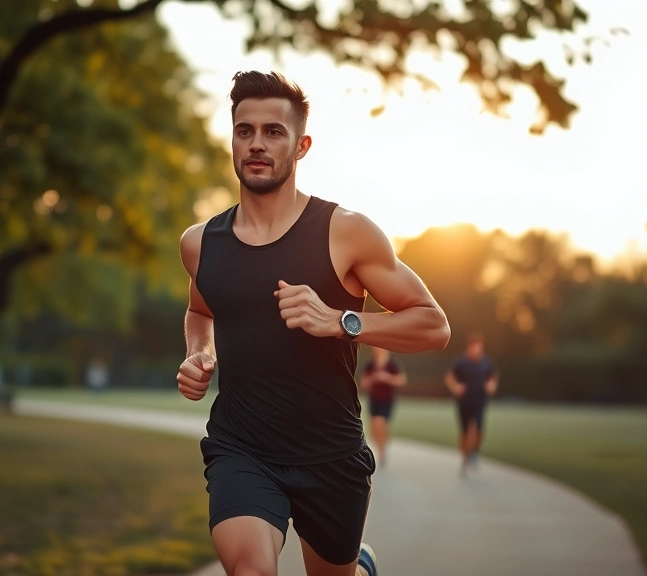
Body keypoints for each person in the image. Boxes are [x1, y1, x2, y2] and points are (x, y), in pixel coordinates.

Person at [175, 70, 450, 576]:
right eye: (245, 130)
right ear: (232, 138)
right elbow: (200, 309)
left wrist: (342, 321)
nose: (257, 144)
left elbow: (433, 325)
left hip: (330, 455)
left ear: (300, 146)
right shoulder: (201, 243)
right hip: (242, 447)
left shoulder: (346, 232)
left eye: (273, 132)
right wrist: (200, 354)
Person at [444, 332, 498, 476]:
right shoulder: (461, 362)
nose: (476, 349)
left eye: (478, 347)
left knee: (479, 428)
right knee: (465, 431)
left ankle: (474, 452)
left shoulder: (486, 362)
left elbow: (492, 376)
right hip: (464, 401)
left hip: (480, 400)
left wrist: (491, 385)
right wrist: (455, 387)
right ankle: (464, 457)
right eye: (473, 347)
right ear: (469, 347)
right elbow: (450, 377)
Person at [359, 346, 407, 466]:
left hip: (387, 399)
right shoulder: (371, 364)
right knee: (374, 426)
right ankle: (380, 446)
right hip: (374, 399)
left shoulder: (392, 364)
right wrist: (373, 379)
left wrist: (387, 378)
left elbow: (401, 379)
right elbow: (364, 382)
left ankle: (382, 450)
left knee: (381, 423)